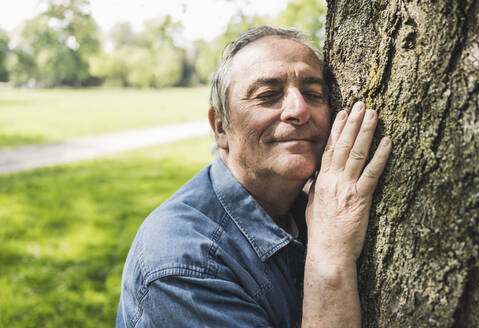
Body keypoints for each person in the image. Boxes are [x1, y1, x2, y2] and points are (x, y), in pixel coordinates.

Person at [117, 25, 392, 327]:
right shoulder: (183, 262)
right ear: (221, 127)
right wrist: (329, 260)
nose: (298, 109)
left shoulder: (313, 207)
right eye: (268, 95)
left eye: (313, 94)